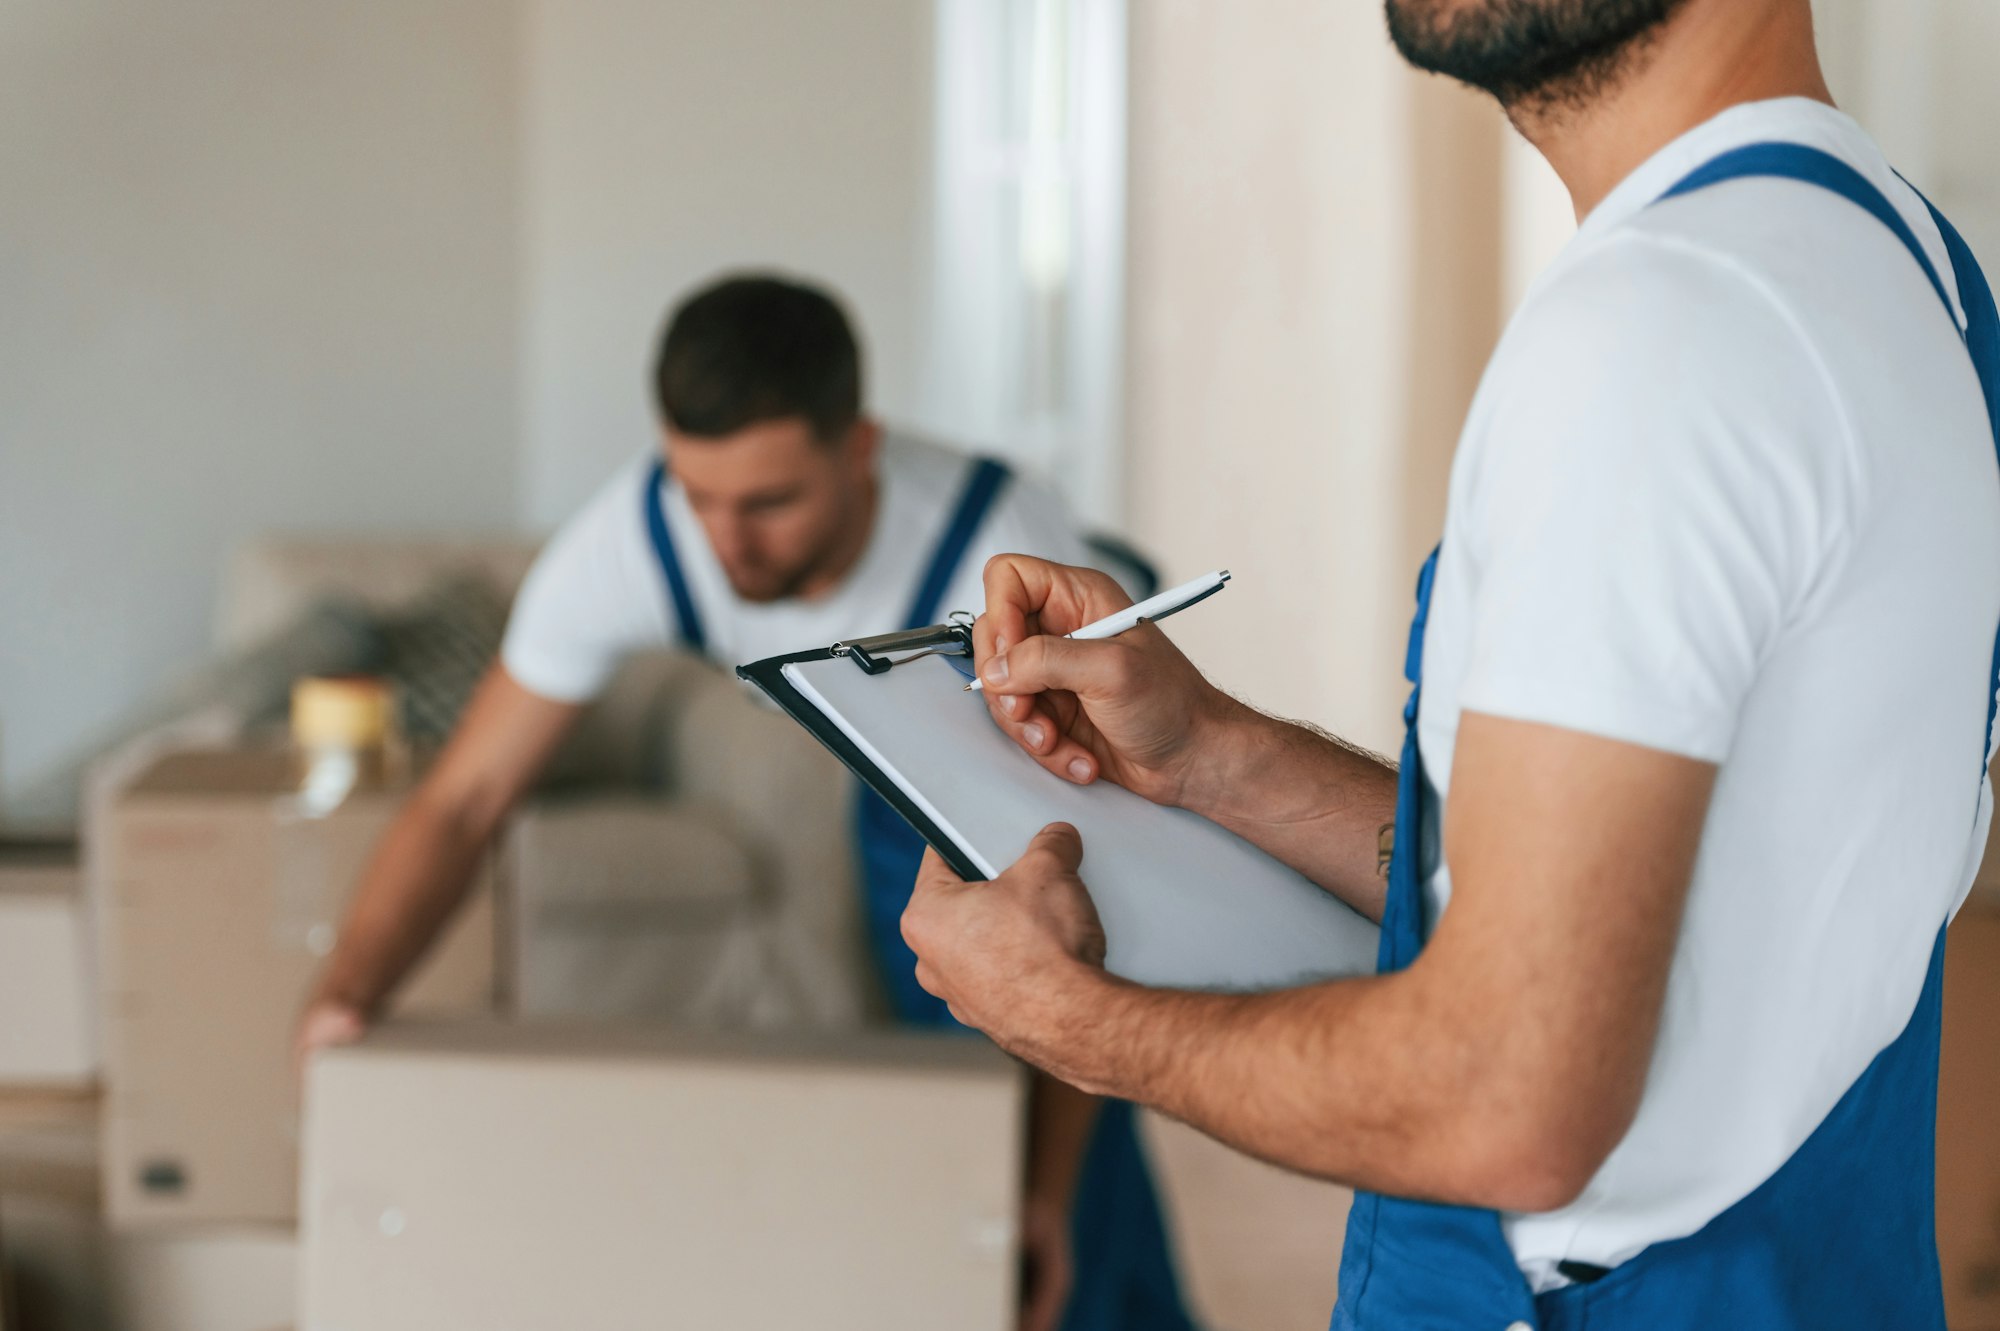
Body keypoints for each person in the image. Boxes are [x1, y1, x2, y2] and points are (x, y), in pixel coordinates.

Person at [900, 2, 2000, 1327]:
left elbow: (1503, 1095)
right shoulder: (1906, 263)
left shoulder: (1657, 334)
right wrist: (1213, 753)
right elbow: (1644, 913)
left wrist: (1067, 1019)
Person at [295, 274, 1197, 1331]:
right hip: (884, 725)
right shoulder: (638, 535)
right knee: (949, 1081)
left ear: (858, 447)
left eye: (769, 502)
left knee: (1037, 1129)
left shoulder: (1000, 550)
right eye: (700, 495)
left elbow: (1085, 933)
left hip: (1060, 716)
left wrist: (1041, 1201)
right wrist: (343, 998)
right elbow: (466, 795)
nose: (728, 544)